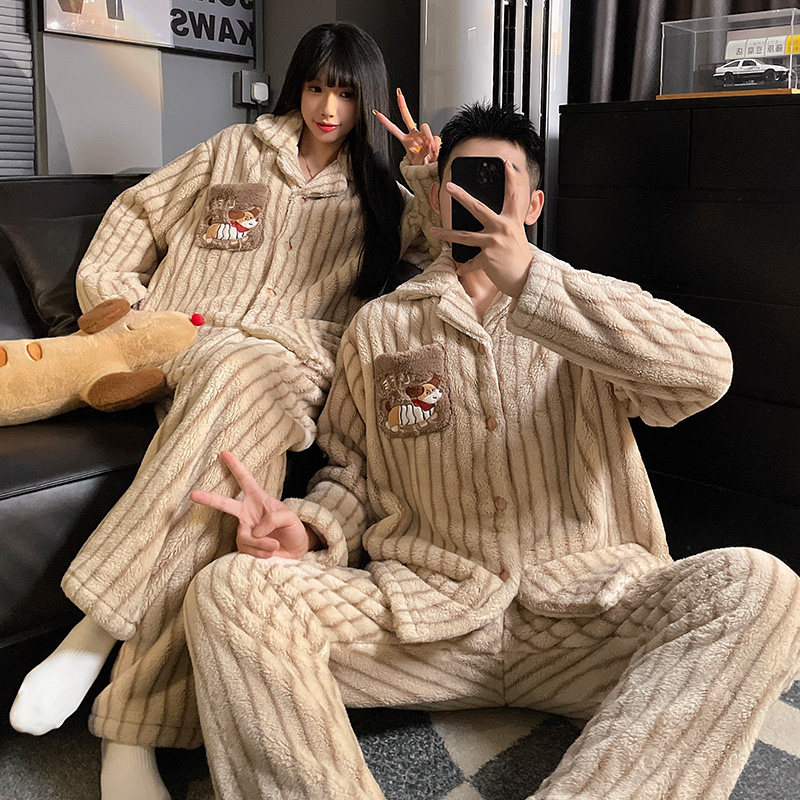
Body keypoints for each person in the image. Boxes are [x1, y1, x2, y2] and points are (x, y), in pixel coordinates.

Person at [184, 103, 800, 800]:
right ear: (436, 198)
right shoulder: (380, 327)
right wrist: (310, 530)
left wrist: (535, 281)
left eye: (500, 182)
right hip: (426, 623)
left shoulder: (588, 309)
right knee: (229, 590)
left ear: (533, 204)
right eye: (463, 182)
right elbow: (354, 473)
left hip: (587, 622)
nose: (479, 198)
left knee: (762, 586)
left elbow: (705, 371)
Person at [9, 21, 443, 800]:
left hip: (293, 358)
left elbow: (450, 256)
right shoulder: (233, 150)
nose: (328, 108)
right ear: (297, 87)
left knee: (239, 465)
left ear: (367, 100)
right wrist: (121, 304)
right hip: (183, 340)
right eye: (316, 88)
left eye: (346, 94)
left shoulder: (384, 192)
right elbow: (137, 213)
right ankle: (126, 722)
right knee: (237, 403)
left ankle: (102, 651)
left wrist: (428, 178)